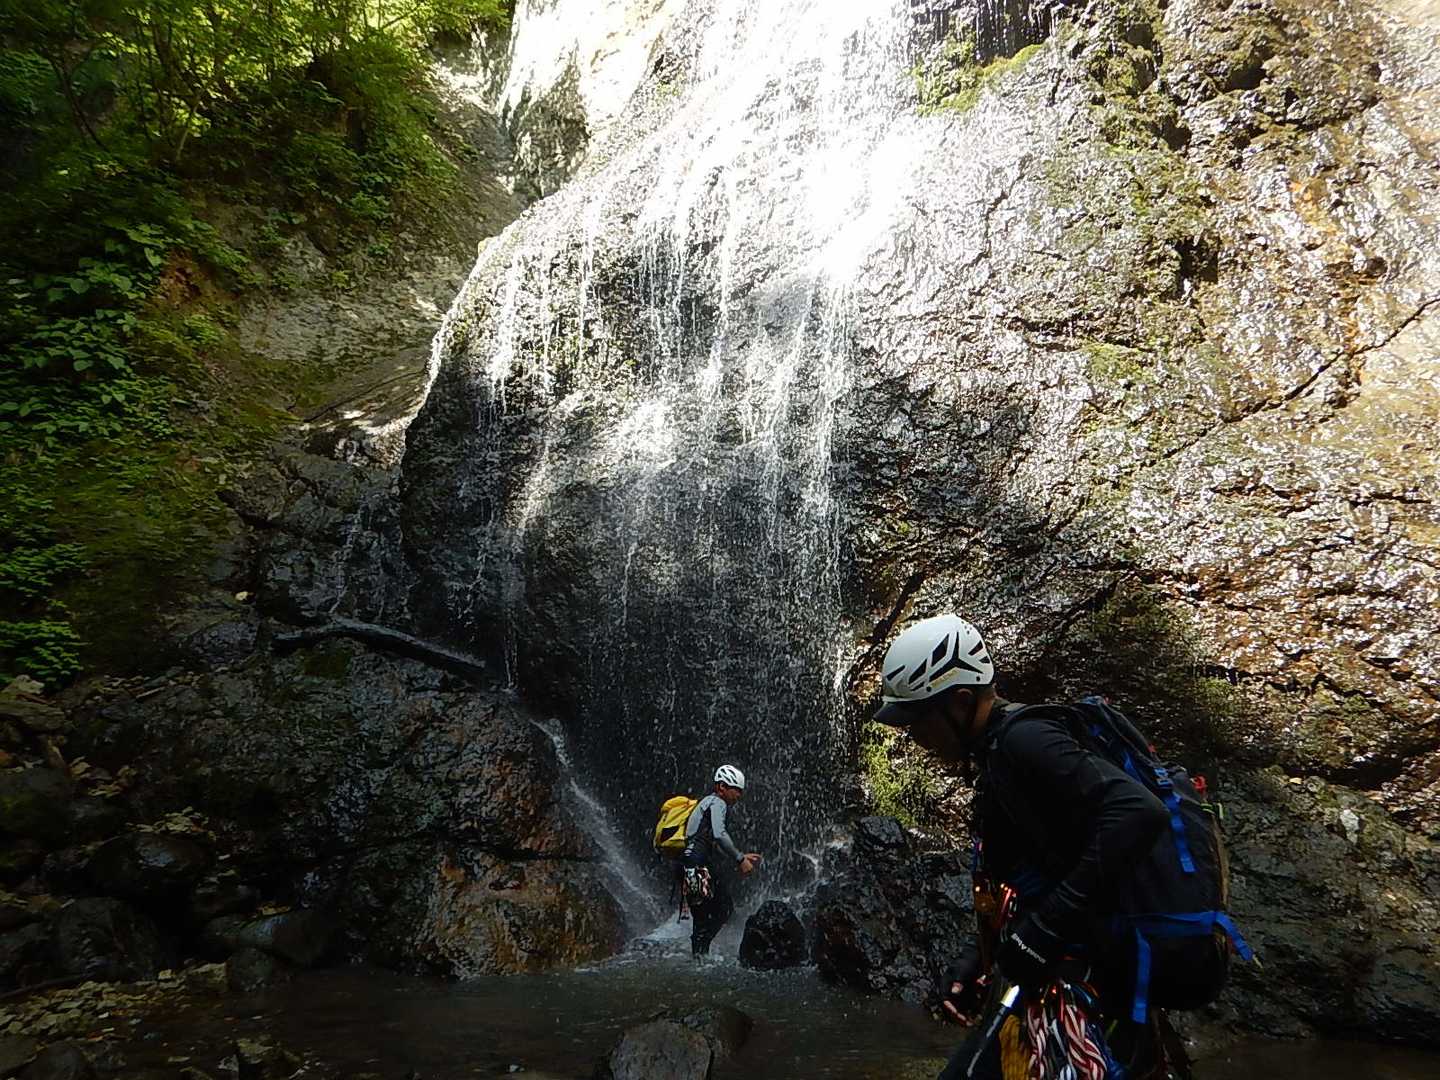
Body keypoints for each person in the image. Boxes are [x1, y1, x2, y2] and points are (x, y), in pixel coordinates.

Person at [875, 613, 1218, 1079]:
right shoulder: (998, 755)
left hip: (1085, 989)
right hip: (1069, 977)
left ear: (960, 701)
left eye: (918, 720)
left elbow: (1139, 812)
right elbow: (1033, 873)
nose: (915, 737)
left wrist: (1045, 929)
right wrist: (975, 959)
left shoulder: (1025, 740)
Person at [680, 764, 762, 958]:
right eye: (736, 790)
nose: (739, 795)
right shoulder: (717, 803)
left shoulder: (706, 804)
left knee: (704, 915)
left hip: (691, 864)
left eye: (740, 791)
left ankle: (699, 956)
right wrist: (740, 859)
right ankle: (701, 956)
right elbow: (719, 834)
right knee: (722, 909)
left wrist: (740, 855)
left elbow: (708, 840)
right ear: (721, 787)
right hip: (697, 866)